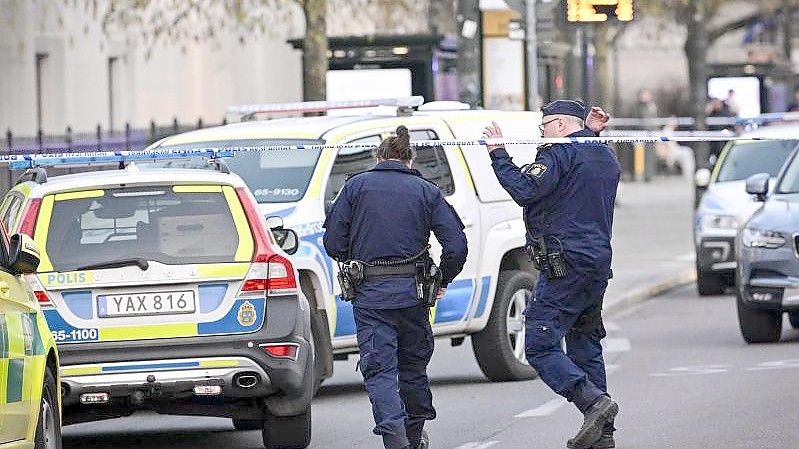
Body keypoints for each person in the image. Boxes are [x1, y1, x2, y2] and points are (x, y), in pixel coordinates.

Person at [482, 100, 620, 449]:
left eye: (544, 126)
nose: (541, 133)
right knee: (585, 343)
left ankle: (592, 403)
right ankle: (602, 436)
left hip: (565, 264)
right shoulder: (603, 153)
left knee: (540, 346)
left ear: (559, 125)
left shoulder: (558, 153)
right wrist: (589, 132)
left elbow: (526, 190)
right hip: (596, 263)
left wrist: (498, 153)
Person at [323, 125, 468, 449]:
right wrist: (441, 279)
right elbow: (456, 245)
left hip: (371, 298)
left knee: (381, 374)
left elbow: (333, 241)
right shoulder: (426, 190)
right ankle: (414, 436)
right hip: (415, 295)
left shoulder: (355, 187)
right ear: (409, 159)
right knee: (413, 369)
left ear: (378, 157)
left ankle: (397, 441)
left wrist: (356, 257)